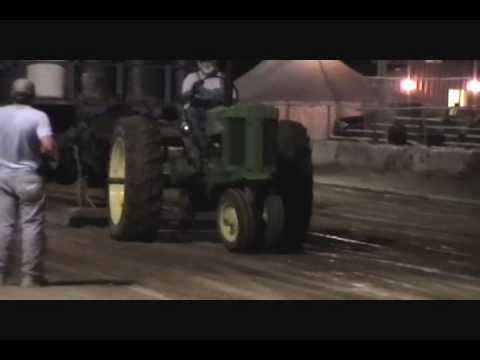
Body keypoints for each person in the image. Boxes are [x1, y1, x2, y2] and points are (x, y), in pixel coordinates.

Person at [0, 78, 58, 287]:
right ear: (33, 96)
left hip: (2, 177)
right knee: (31, 225)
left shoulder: (0, 113)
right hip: (28, 177)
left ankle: (1, 274)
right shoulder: (38, 116)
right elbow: (48, 146)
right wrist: (47, 155)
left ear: (12, 93)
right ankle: (30, 276)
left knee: (4, 226)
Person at [181, 60, 226, 161]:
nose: (207, 63)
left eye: (210, 60)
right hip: (199, 113)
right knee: (191, 113)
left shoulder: (222, 78)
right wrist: (193, 90)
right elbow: (185, 96)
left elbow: (232, 96)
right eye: (203, 61)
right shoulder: (192, 78)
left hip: (218, 112)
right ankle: (203, 150)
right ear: (198, 63)